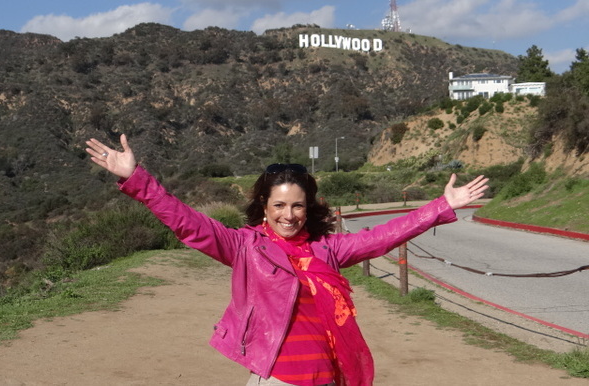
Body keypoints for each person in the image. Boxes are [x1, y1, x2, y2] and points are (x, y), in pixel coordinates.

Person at [86, 134, 488, 386]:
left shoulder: (326, 250)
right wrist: (137, 180)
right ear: (265, 205)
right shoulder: (244, 247)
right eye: (279, 205)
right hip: (279, 379)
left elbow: (384, 236)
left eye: (297, 206)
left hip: (328, 376)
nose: (289, 215)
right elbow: (188, 224)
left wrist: (440, 206)